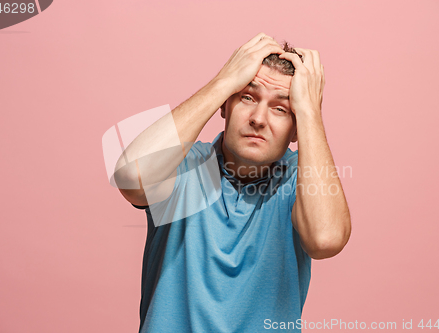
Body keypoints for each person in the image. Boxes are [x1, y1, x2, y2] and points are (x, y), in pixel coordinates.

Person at [113, 32, 351, 333]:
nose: (258, 118)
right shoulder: (184, 165)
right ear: (224, 106)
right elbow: (130, 177)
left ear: (296, 128)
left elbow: (326, 239)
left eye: (281, 108)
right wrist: (223, 82)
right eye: (247, 97)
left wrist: (309, 111)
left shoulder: (298, 179)